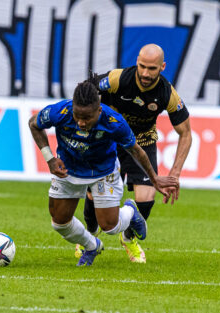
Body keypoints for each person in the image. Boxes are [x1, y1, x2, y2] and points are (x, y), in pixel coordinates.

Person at [28, 80, 179, 266]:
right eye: (77, 116)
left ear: (99, 111)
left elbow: (136, 150)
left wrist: (154, 179)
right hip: (68, 169)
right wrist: (50, 158)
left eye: (87, 118)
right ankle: (92, 246)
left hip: (103, 172)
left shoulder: (114, 122)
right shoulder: (60, 111)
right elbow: (34, 123)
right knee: (59, 223)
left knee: (110, 227)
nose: (81, 123)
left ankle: (131, 212)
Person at [79, 43, 192, 264]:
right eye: (142, 66)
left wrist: (175, 174)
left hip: (142, 141)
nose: (145, 73)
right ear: (137, 62)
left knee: (146, 198)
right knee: (95, 196)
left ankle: (128, 237)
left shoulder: (168, 94)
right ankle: (88, 236)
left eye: (152, 69)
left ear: (162, 67)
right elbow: (85, 92)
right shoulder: (117, 79)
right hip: (110, 139)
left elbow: (186, 133)